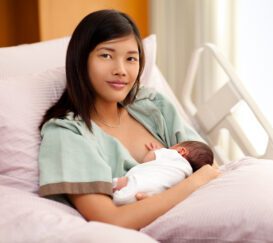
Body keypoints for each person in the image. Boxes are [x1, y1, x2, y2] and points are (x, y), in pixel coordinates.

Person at [38, 9, 220, 230]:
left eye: (131, 58)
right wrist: (192, 184)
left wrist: (166, 197)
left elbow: (210, 167)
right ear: (81, 60)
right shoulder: (67, 134)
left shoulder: (152, 105)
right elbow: (112, 220)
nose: (121, 70)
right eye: (106, 55)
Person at [113, 141, 214, 205]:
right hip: (150, 197)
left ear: (182, 151)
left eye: (173, 146)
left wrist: (154, 150)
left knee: (116, 185)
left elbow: (147, 159)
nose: (169, 148)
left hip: (137, 182)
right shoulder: (187, 178)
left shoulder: (172, 154)